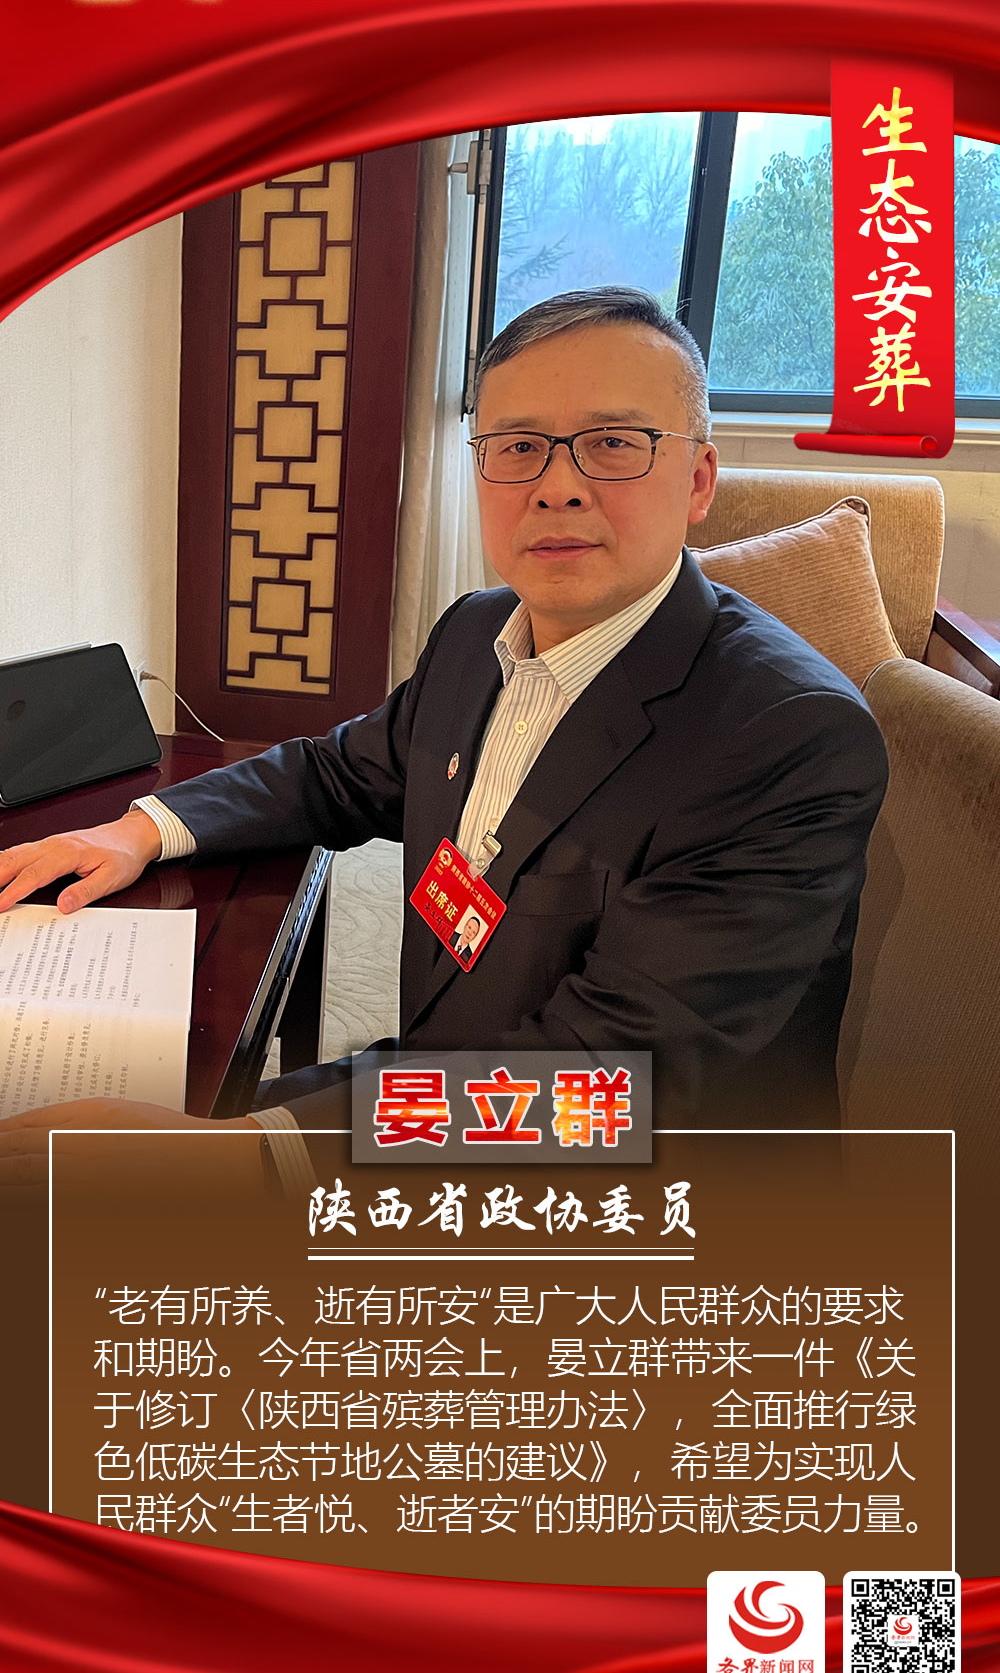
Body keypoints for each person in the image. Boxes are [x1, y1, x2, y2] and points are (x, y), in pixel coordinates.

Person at [0, 286, 889, 1160]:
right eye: (519, 447)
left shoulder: (787, 736)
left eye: (613, 443)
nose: (558, 488)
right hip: (447, 1088)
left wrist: (254, 1151)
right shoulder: (476, 631)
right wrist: (138, 830)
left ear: (698, 479)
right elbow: (342, 771)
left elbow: (613, 1075)